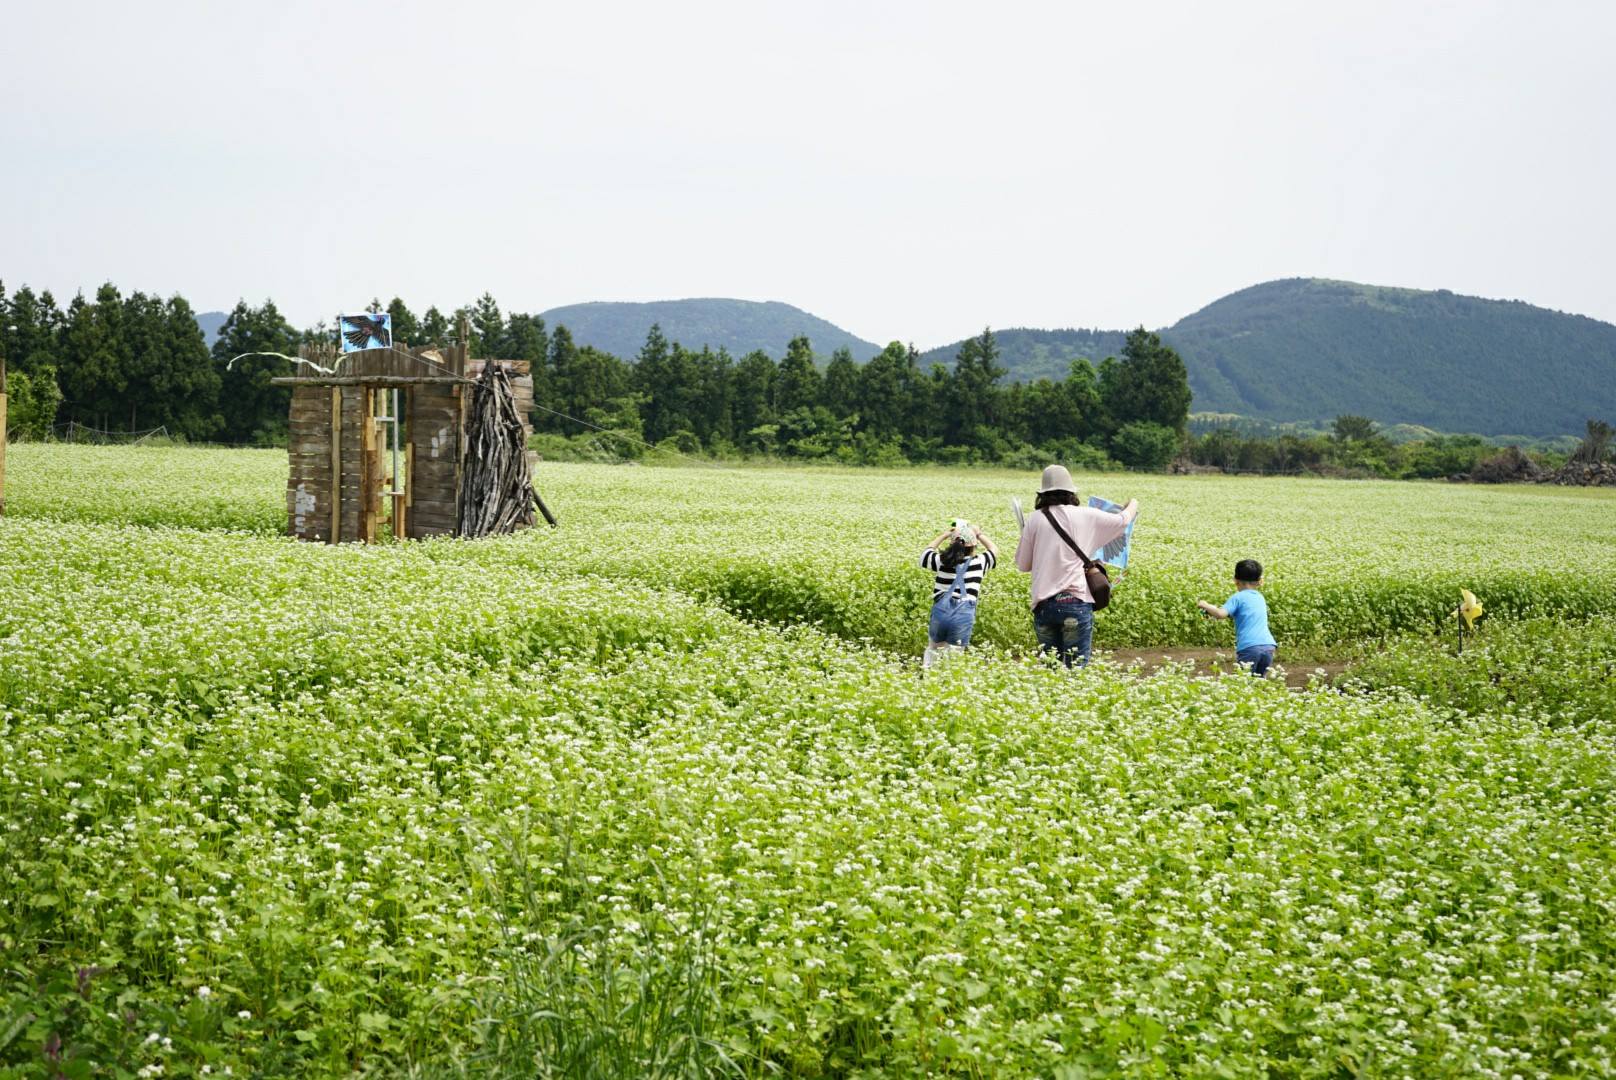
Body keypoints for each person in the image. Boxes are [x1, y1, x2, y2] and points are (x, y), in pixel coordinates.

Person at [1013, 465, 1138, 667]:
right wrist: (1132, 503)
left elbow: (1023, 565)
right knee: (1075, 670)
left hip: (1044, 605)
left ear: (1043, 493)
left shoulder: (1034, 519)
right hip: (1075, 603)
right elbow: (1123, 521)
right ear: (1071, 491)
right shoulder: (1087, 515)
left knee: (1051, 668)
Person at [920, 520, 998, 666]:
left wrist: (945, 534)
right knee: (954, 657)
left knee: (933, 649)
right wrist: (978, 533)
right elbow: (993, 549)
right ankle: (948, 682)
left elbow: (926, 553)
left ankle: (928, 677)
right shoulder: (979, 562)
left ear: (951, 544)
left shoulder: (941, 561)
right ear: (973, 546)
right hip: (963, 615)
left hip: (941, 613)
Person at [1196, 559, 1278, 677]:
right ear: (1259, 581)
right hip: (1268, 646)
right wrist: (1213, 610)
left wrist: (1205, 605)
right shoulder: (1260, 597)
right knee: (1259, 682)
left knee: (1242, 682)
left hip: (1249, 647)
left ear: (1235, 580)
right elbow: (1242, 613)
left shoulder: (1238, 597)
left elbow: (1220, 614)